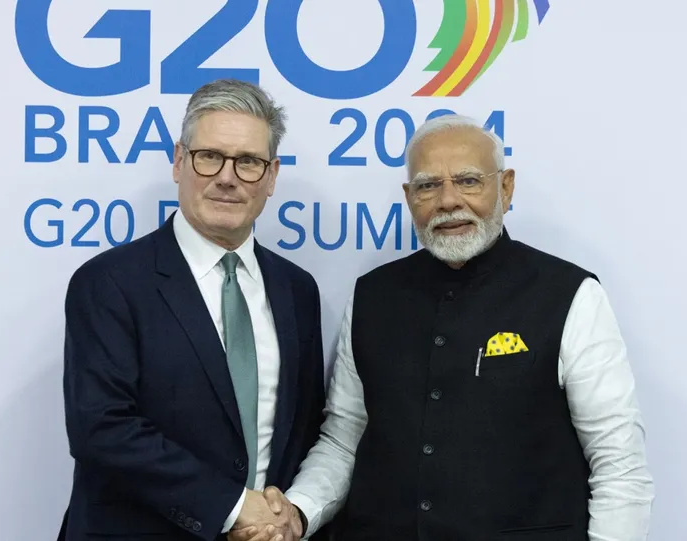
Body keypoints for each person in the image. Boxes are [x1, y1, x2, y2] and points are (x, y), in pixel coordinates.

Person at [245, 114, 655, 540]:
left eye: (468, 181)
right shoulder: (372, 295)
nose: (447, 201)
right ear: (409, 198)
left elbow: (619, 465)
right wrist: (298, 512)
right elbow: (344, 439)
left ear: (506, 188)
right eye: (428, 186)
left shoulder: (570, 294)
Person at [57, 79, 325, 541]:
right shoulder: (109, 282)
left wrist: (280, 518)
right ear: (180, 161)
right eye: (209, 156)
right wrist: (234, 508)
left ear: (272, 176)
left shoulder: (297, 290)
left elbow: (301, 430)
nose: (227, 177)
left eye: (248, 162)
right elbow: (101, 429)